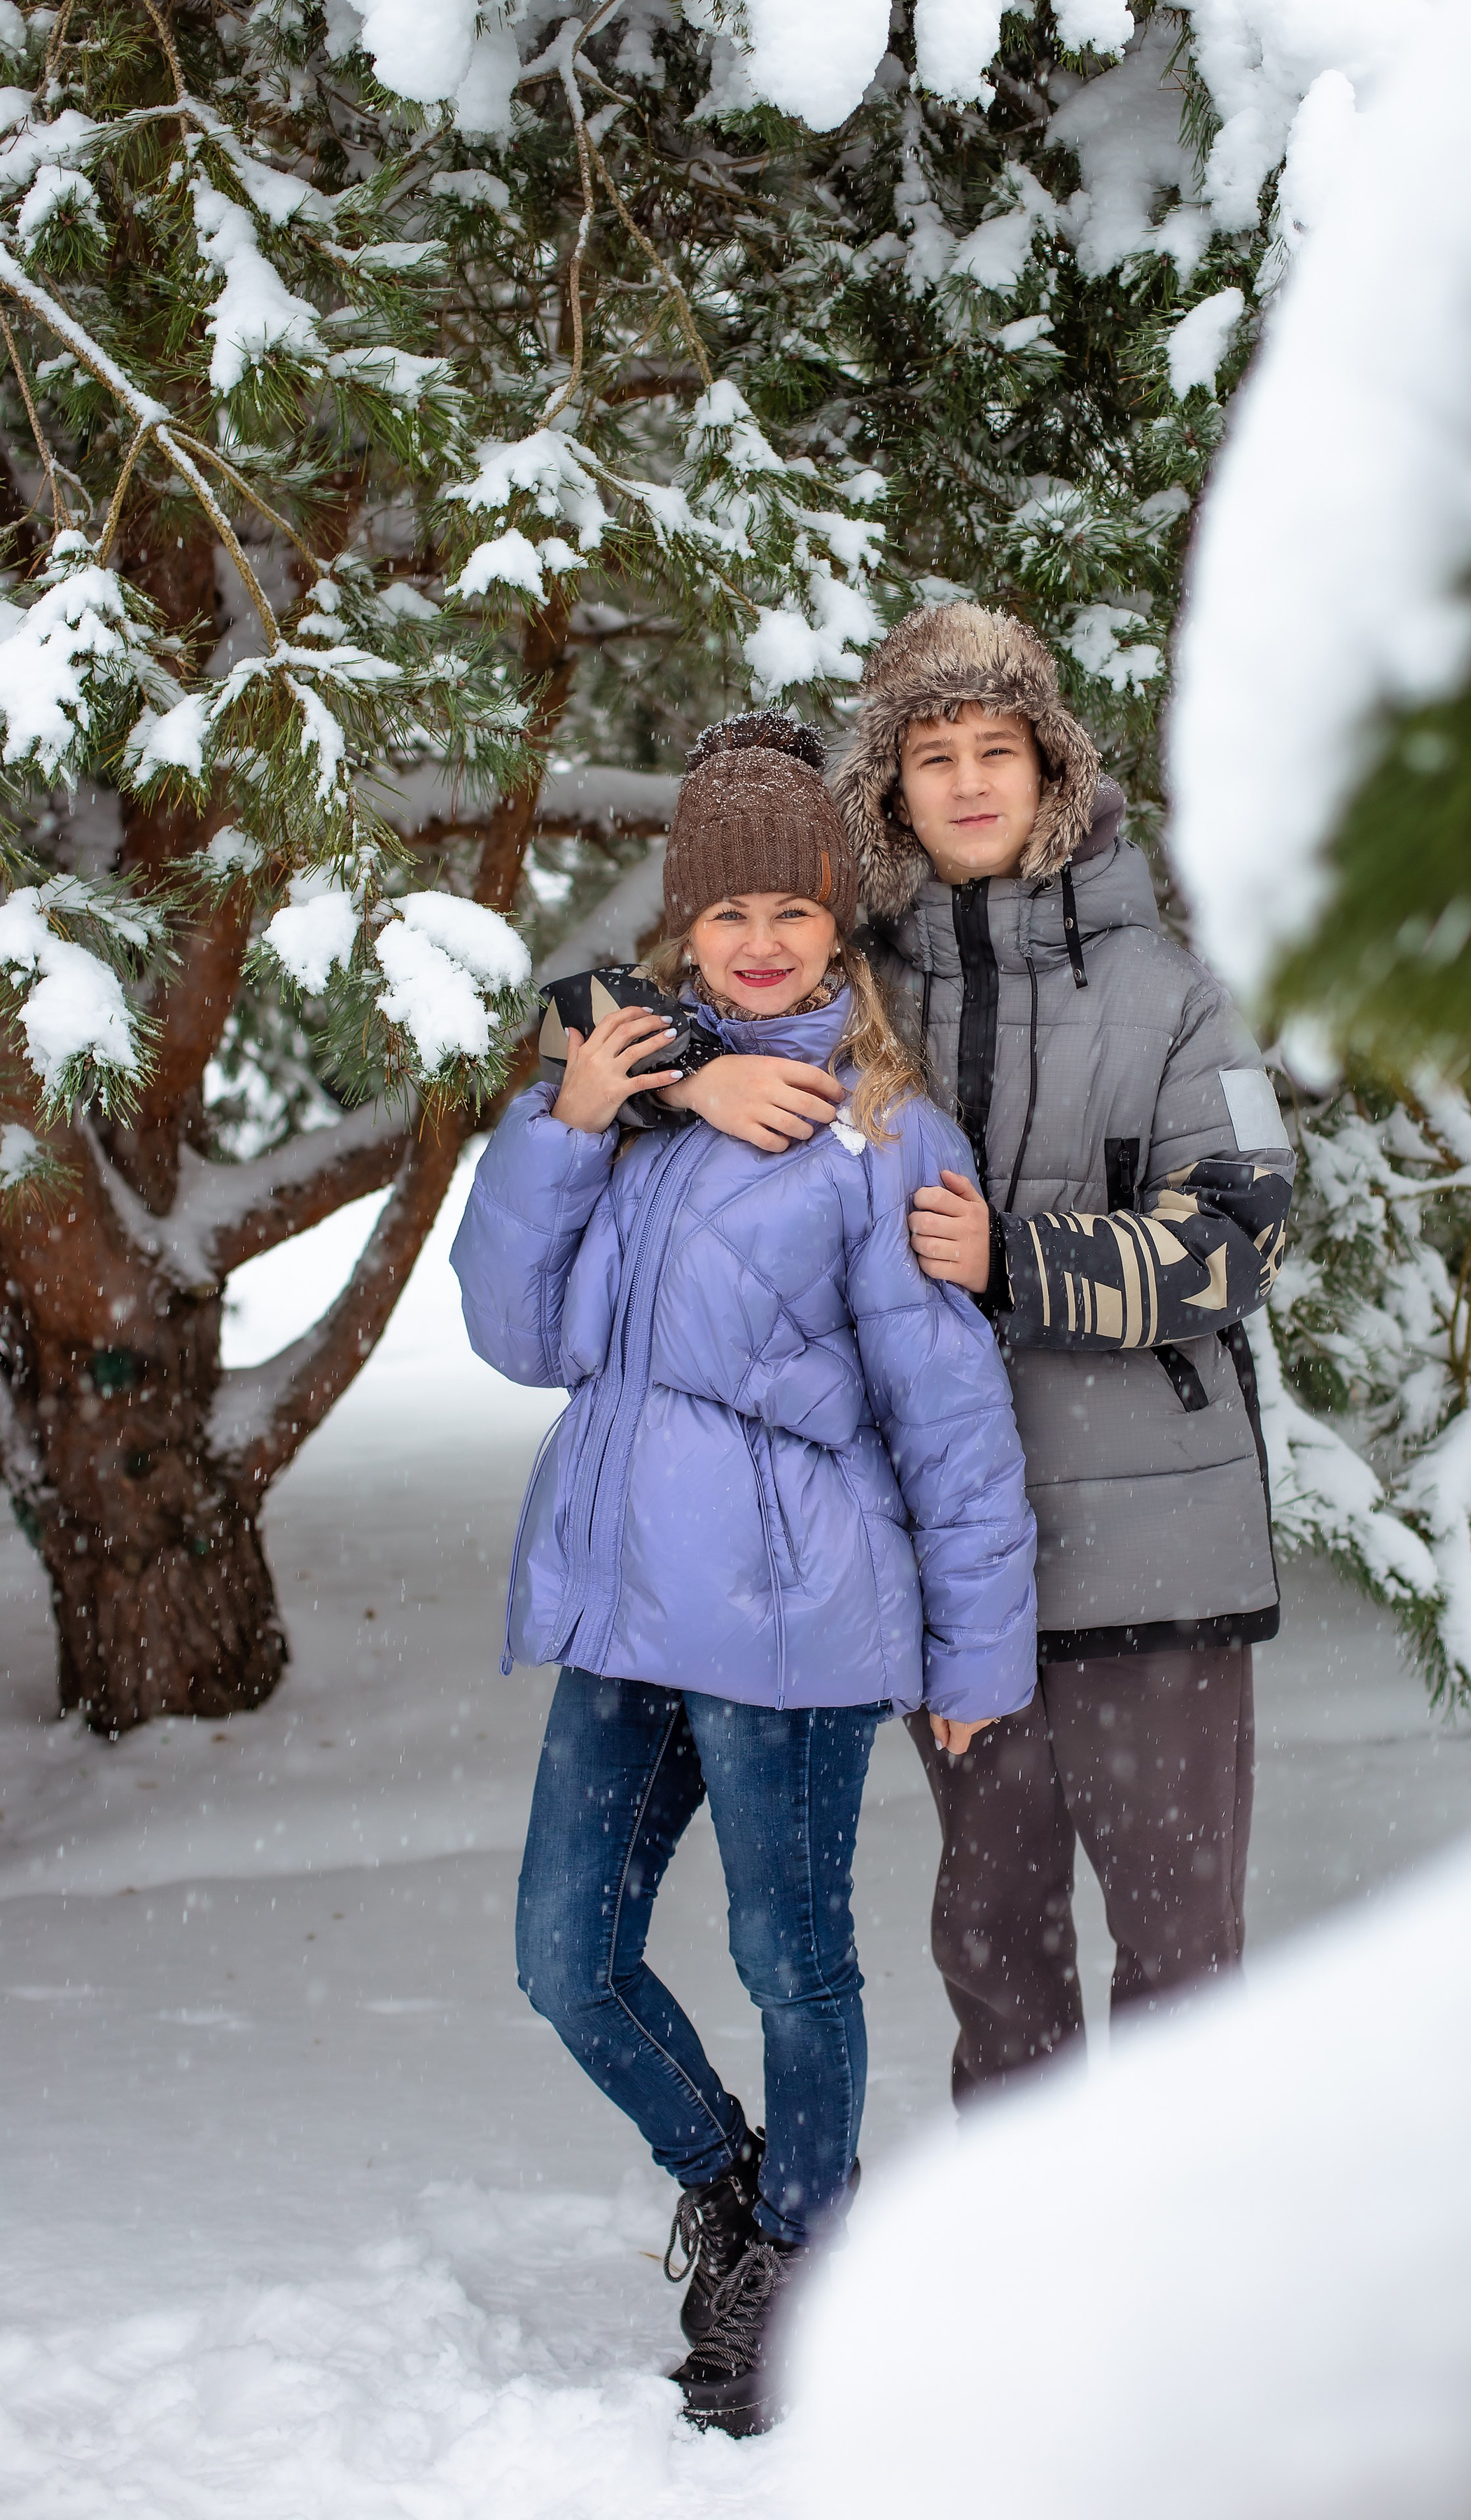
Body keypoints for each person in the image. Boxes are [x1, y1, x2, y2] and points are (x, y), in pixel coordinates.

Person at [450, 711, 1036, 2435]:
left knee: (798, 1967)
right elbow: (519, 1334)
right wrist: (568, 1120)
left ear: (834, 925)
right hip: (623, 1605)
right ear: (684, 929)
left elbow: (949, 1417)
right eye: (727, 914)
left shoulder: (882, 1135)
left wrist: (976, 1647)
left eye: (793, 907)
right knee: (567, 1957)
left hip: (794, 1619)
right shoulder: (626, 1092)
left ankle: (803, 2251)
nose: (762, 939)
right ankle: (730, 2185)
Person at [825, 599, 1297, 2102]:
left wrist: (1020, 1263)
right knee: (994, 1949)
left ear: (1053, 772)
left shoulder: (1168, 997)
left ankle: (1182, 2299)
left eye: (997, 748)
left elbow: (1240, 1228)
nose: (967, 781)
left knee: (1177, 1962)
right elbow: (660, 1033)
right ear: (888, 789)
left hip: (1157, 1554)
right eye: (931, 753)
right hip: (959, 1561)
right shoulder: (850, 996)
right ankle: (1024, 2300)